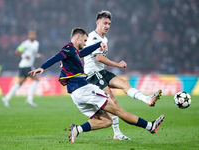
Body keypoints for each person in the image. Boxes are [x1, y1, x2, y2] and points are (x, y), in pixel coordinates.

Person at [28, 27, 165, 143]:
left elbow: (83, 52)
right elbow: (56, 57)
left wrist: (98, 44)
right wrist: (42, 67)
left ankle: (77, 129)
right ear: (77, 38)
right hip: (85, 89)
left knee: (106, 121)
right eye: (85, 40)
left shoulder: (74, 52)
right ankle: (150, 126)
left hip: (76, 95)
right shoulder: (68, 49)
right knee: (118, 110)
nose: (86, 43)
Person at [83, 10, 162, 140]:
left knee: (124, 84)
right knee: (112, 101)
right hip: (93, 74)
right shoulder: (93, 37)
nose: (107, 26)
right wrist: (117, 64)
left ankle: (147, 99)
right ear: (97, 22)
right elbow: (98, 58)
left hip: (101, 71)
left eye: (109, 23)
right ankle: (117, 134)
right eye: (104, 23)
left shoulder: (104, 38)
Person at [2, 30, 42, 107]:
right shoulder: (25, 44)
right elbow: (17, 51)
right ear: (28, 35)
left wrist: (38, 56)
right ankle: (29, 98)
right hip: (25, 65)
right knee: (36, 80)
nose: (32, 36)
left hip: (27, 65)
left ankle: (7, 98)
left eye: (34, 34)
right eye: (31, 34)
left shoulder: (36, 43)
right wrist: (24, 56)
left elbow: (33, 53)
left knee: (20, 83)